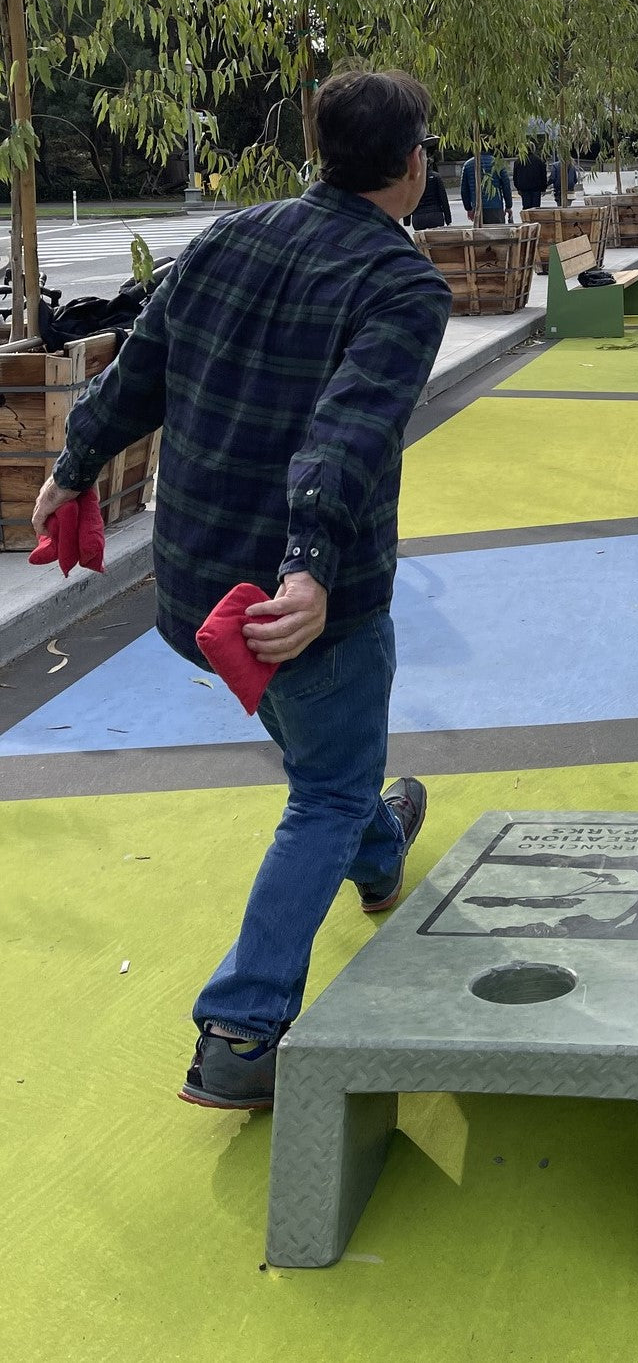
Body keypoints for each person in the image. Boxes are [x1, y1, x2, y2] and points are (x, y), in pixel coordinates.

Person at [31, 69, 453, 1109]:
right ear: (410, 164)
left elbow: (138, 366)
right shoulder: (399, 283)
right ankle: (241, 1028)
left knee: (335, 767)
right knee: (326, 787)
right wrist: (308, 564)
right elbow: (345, 434)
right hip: (293, 605)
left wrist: (74, 462)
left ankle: (381, 848)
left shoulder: (226, 237)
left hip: (193, 592)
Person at [404, 137, 451, 230]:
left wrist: (407, 220)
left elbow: (408, 198)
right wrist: (448, 218)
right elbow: (443, 198)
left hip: (418, 216)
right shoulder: (436, 176)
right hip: (435, 214)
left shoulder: (412, 178)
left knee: (421, 243)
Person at [460, 146, 512, 223]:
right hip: (495, 206)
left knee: (479, 233)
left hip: (477, 207)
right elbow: (506, 186)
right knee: (497, 232)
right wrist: (508, 206)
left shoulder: (468, 165)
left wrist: (468, 208)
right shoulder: (498, 163)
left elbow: (464, 189)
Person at [513, 145, 549, 212]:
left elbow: (515, 176)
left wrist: (518, 188)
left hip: (524, 188)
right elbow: (543, 175)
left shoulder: (518, 162)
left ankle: (527, 221)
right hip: (536, 188)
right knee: (536, 209)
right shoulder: (539, 161)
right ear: (533, 149)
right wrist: (544, 188)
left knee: (526, 208)